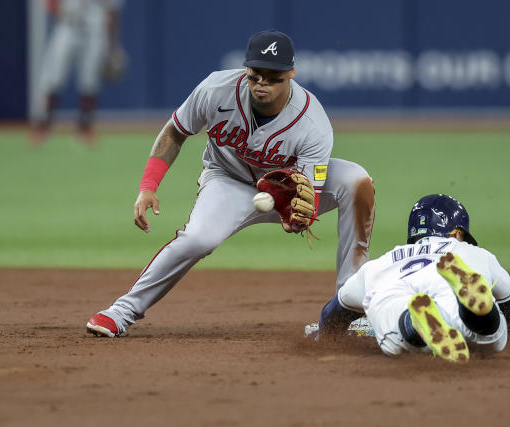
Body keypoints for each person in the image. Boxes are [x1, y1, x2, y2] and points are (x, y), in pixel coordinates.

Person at [86, 29, 376, 337]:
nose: (262, 83)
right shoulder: (216, 89)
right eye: (255, 75)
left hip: (285, 188)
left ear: (291, 72)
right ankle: (121, 311)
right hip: (228, 180)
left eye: (273, 76)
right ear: (245, 68)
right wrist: (148, 186)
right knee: (198, 239)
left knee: (357, 180)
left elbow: (307, 203)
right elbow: (176, 131)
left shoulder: (313, 124)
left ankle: (350, 309)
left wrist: (297, 216)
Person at [317, 194, 510, 363]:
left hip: (395, 289)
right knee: (491, 339)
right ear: (458, 234)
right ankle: (479, 317)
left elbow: (332, 314)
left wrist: (326, 337)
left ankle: (412, 322)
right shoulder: (475, 254)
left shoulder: (379, 264)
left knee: (394, 331)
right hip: (448, 288)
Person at [29, 0, 126, 146]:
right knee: (53, 79)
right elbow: (50, 4)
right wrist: (56, 9)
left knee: (90, 81)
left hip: (95, 30)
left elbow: (112, 11)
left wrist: (114, 46)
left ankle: (85, 128)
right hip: (67, 26)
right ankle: (43, 126)